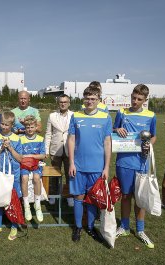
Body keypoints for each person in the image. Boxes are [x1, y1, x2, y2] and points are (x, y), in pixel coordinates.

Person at [113, 84, 157, 249]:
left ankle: (140, 230)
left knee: (140, 198)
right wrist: (118, 129)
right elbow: (113, 129)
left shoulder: (151, 115)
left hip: (142, 162)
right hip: (123, 162)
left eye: (139, 99)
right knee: (125, 196)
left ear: (145, 100)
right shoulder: (122, 112)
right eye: (133, 98)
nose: (135, 101)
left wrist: (149, 145)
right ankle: (124, 227)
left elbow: (153, 136)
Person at [68, 86, 112, 242]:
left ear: (98, 100)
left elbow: (107, 143)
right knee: (78, 197)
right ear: (83, 99)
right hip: (78, 166)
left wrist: (106, 167)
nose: (90, 101)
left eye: (93, 99)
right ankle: (78, 227)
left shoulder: (106, 117)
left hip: (97, 166)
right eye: (87, 98)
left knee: (93, 198)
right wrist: (71, 163)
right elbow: (71, 140)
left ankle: (91, 227)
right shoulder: (75, 116)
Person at [0, 111, 23, 241]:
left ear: (12, 125)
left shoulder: (17, 138)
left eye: (7, 125)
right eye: (2, 124)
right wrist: (1, 149)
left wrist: (11, 148)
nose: (4, 127)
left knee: (13, 199)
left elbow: (20, 159)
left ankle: (14, 225)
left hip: (13, 174)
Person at [45, 94, 74, 207]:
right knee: (54, 175)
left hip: (69, 149)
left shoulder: (74, 115)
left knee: (70, 174)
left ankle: (69, 196)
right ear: (58, 103)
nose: (63, 104)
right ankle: (52, 195)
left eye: (65, 102)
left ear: (69, 103)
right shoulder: (52, 116)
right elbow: (48, 134)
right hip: (55, 150)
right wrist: (46, 150)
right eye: (61, 102)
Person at [20, 115, 46, 222]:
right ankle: (26, 206)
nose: (30, 129)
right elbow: (20, 155)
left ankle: (37, 205)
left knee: (36, 178)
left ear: (36, 128)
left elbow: (43, 155)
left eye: (32, 127)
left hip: (36, 164)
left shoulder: (40, 139)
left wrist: (32, 156)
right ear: (24, 128)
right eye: (27, 127)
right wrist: (27, 157)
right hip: (25, 164)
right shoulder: (20, 139)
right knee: (24, 178)